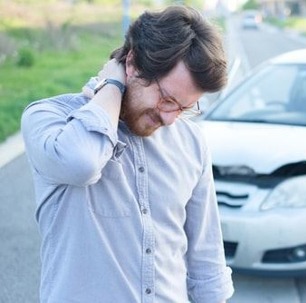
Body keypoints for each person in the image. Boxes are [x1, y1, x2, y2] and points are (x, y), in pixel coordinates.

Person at [21, 5, 234, 303]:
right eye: (167, 99)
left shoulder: (191, 139)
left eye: (185, 107)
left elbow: (206, 261)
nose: (170, 118)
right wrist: (112, 85)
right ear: (132, 63)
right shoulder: (50, 119)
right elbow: (80, 164)